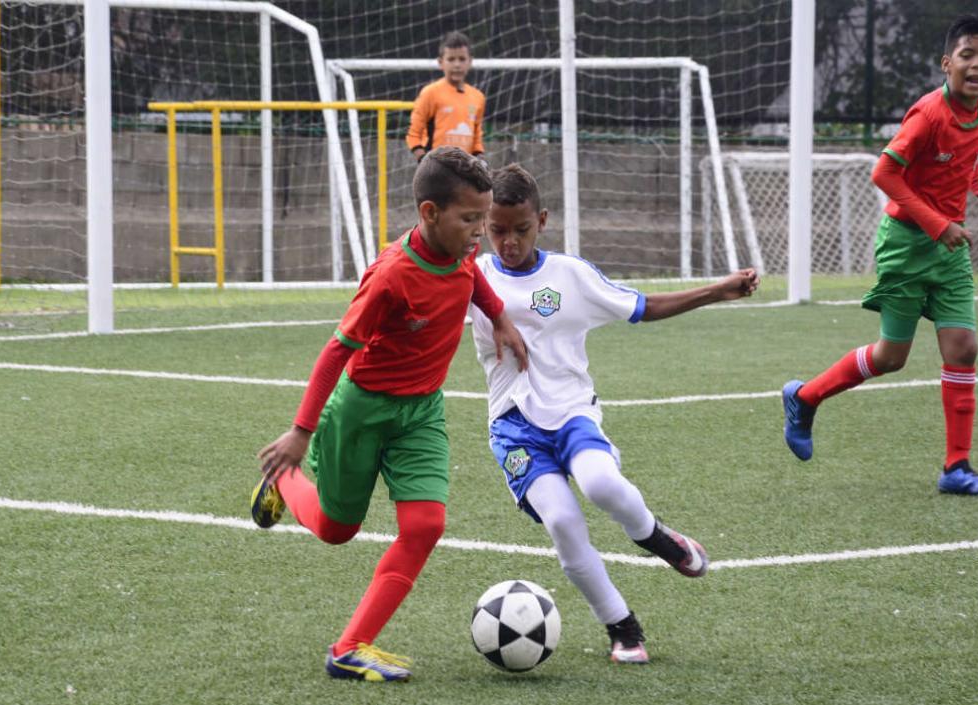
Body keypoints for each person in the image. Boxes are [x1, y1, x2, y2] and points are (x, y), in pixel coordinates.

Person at [250, 147, 527, 683]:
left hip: (422, 413)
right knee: (336, 530)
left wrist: (499, 319)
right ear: (429, 213)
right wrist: (300, 433)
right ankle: (284, 478)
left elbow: (472, 277)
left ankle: (350, 647)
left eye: (483, 218)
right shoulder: (392, 275)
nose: (481, 232)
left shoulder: (460, 250)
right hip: (361, 410)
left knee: (425, 525)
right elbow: (336, 350)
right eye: (471, 219)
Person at [468, 163, 759, 664]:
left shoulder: (570, 276)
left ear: (542, 220)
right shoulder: (469, 277)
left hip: (573, 412)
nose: (508, 241)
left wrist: (717, 289)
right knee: (561, 521)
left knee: (602, 485)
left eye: (520, 229)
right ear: (482, 225)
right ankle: (623, 627)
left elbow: (641, 306)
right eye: (496, 230)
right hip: (513, 426)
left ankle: (656, 536)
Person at [782, 15, 978, 496]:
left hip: (950, 249)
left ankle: (957, 468)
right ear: (947, 63)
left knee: (964, 348)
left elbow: (966, 165)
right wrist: (936, 223)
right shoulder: (927, 114)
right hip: (907, 245)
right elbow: (885, 174)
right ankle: (805, 397)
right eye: (967, 55)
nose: (977, 64)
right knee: (892, 357)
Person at [406, 31, 485, 162]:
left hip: (465, 170)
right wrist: (424, 159)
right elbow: (413, 134)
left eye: (462, 59)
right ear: (440, 62)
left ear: (470, 62)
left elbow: (477, 137)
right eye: (451, 59)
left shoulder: (478, 97)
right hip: (437, 168)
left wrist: (480, 158)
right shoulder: (430, 93)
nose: (457, 65)